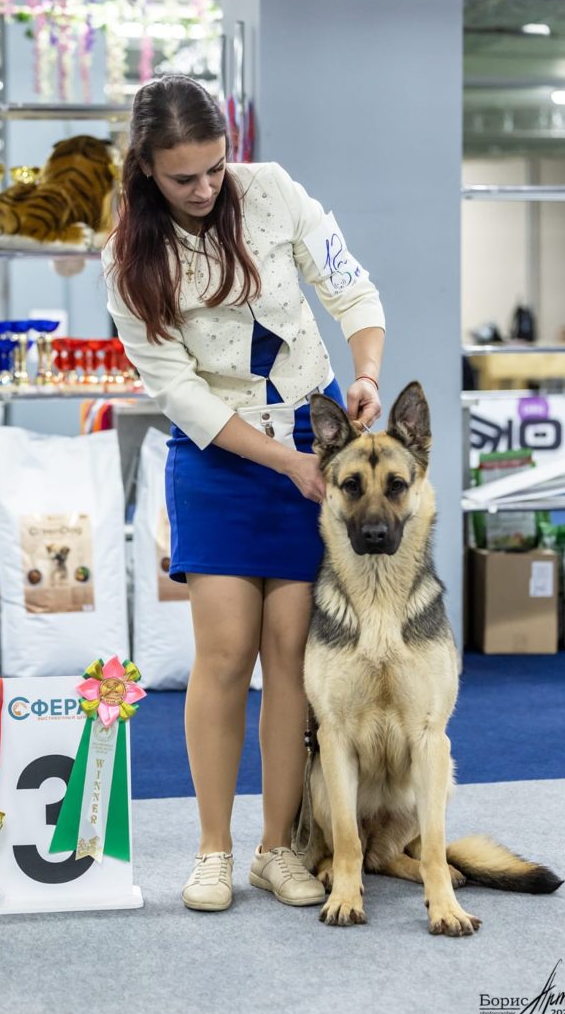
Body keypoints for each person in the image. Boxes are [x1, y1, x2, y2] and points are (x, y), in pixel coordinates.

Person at [103, 75, 385, 913]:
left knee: (290, 657)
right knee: (224, 655)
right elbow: (180, 394)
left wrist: (363, 375)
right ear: (146, 170)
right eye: (182, 176)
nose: (203, 188)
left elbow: (352, 290)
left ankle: (277, 850)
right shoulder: (129, 259)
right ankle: (212, 851)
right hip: (220, 454)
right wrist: (279, 461)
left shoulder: (274, 192)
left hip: (311, 437)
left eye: (214, 169)